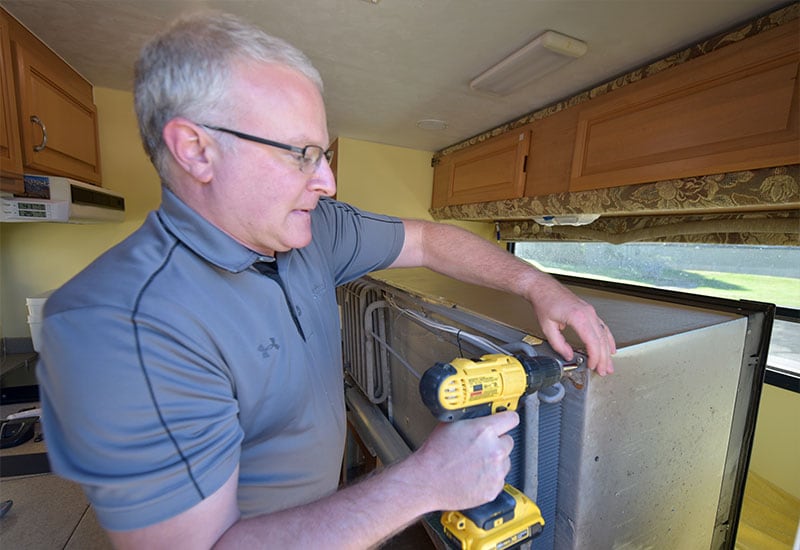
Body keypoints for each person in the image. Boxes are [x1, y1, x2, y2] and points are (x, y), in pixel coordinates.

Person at [37, 11, 616, 549]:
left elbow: (428, 239)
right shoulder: (122, 327)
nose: (329, 182)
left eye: (326, 154)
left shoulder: (312, 232)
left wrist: (540, 285)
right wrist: (423, 483)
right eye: (302, 154)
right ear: (196, 150)